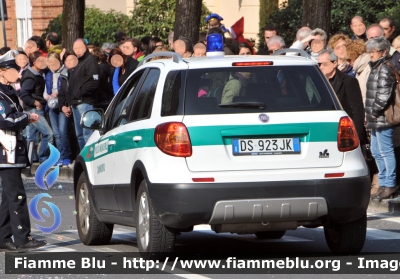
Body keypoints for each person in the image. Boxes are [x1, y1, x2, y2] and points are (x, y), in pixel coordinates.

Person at [0, 50, 46, 251]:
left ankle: (2, 236)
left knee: (9, 197)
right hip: (5, 153)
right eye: (13, 70)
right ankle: (22, 238)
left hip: (12, 152)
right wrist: (27, 118)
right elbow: (5, 121)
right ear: (2, 72)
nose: (18, 74)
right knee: (17, 196)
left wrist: (24, 116)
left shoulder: (9, 92)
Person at [365, 37, 398, 199]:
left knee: (385, 151)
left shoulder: (384, 68)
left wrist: (374, 111)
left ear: (383, 52)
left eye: (374, 51)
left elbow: (384, 94)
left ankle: (389, 184)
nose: (371, 55)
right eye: (369, 51)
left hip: (382, 116)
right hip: (375, 116)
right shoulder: (376, 67)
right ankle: (384, 184)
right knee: (376, 151)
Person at [318, 49, 367, 147]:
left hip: (345, 131)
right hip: (327, 130)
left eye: (324, 64)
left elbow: (357, 111)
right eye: (319, 64)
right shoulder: (319, 82)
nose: (321, 67)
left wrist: (356, 135)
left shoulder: (348, 82)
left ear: (334, 63)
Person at [19, 51, 54, 164]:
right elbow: (23, 94)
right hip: (34, 109)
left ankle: (32, 160)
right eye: (41, 60)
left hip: (36, 108)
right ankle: (43, 158)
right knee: (49, 134)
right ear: (35, 62)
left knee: (32, 138)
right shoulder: (30, 76)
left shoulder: (40, 73)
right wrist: (35, 102)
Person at [68, 39, 99, 150]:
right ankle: (83, 160)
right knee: (80, 135)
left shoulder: (90, 61)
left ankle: (89, 158)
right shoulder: (77, 61)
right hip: (75, 102)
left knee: (87, 134)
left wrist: (80, 93)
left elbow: (94, 82)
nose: (78, 51)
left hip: (85, 102)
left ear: (85, 47)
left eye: (80, 48)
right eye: (75, 49)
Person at [44, 52, 71, 167]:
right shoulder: (49, 74)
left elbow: (68, 89)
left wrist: (58, 94)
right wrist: (47, 96)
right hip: (52, 105)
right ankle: (60, 156)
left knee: (62, 131)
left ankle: (67, 156)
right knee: (56, 134)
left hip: (62, 105)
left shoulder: (65, 72)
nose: (51, 66)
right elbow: (46, 90)